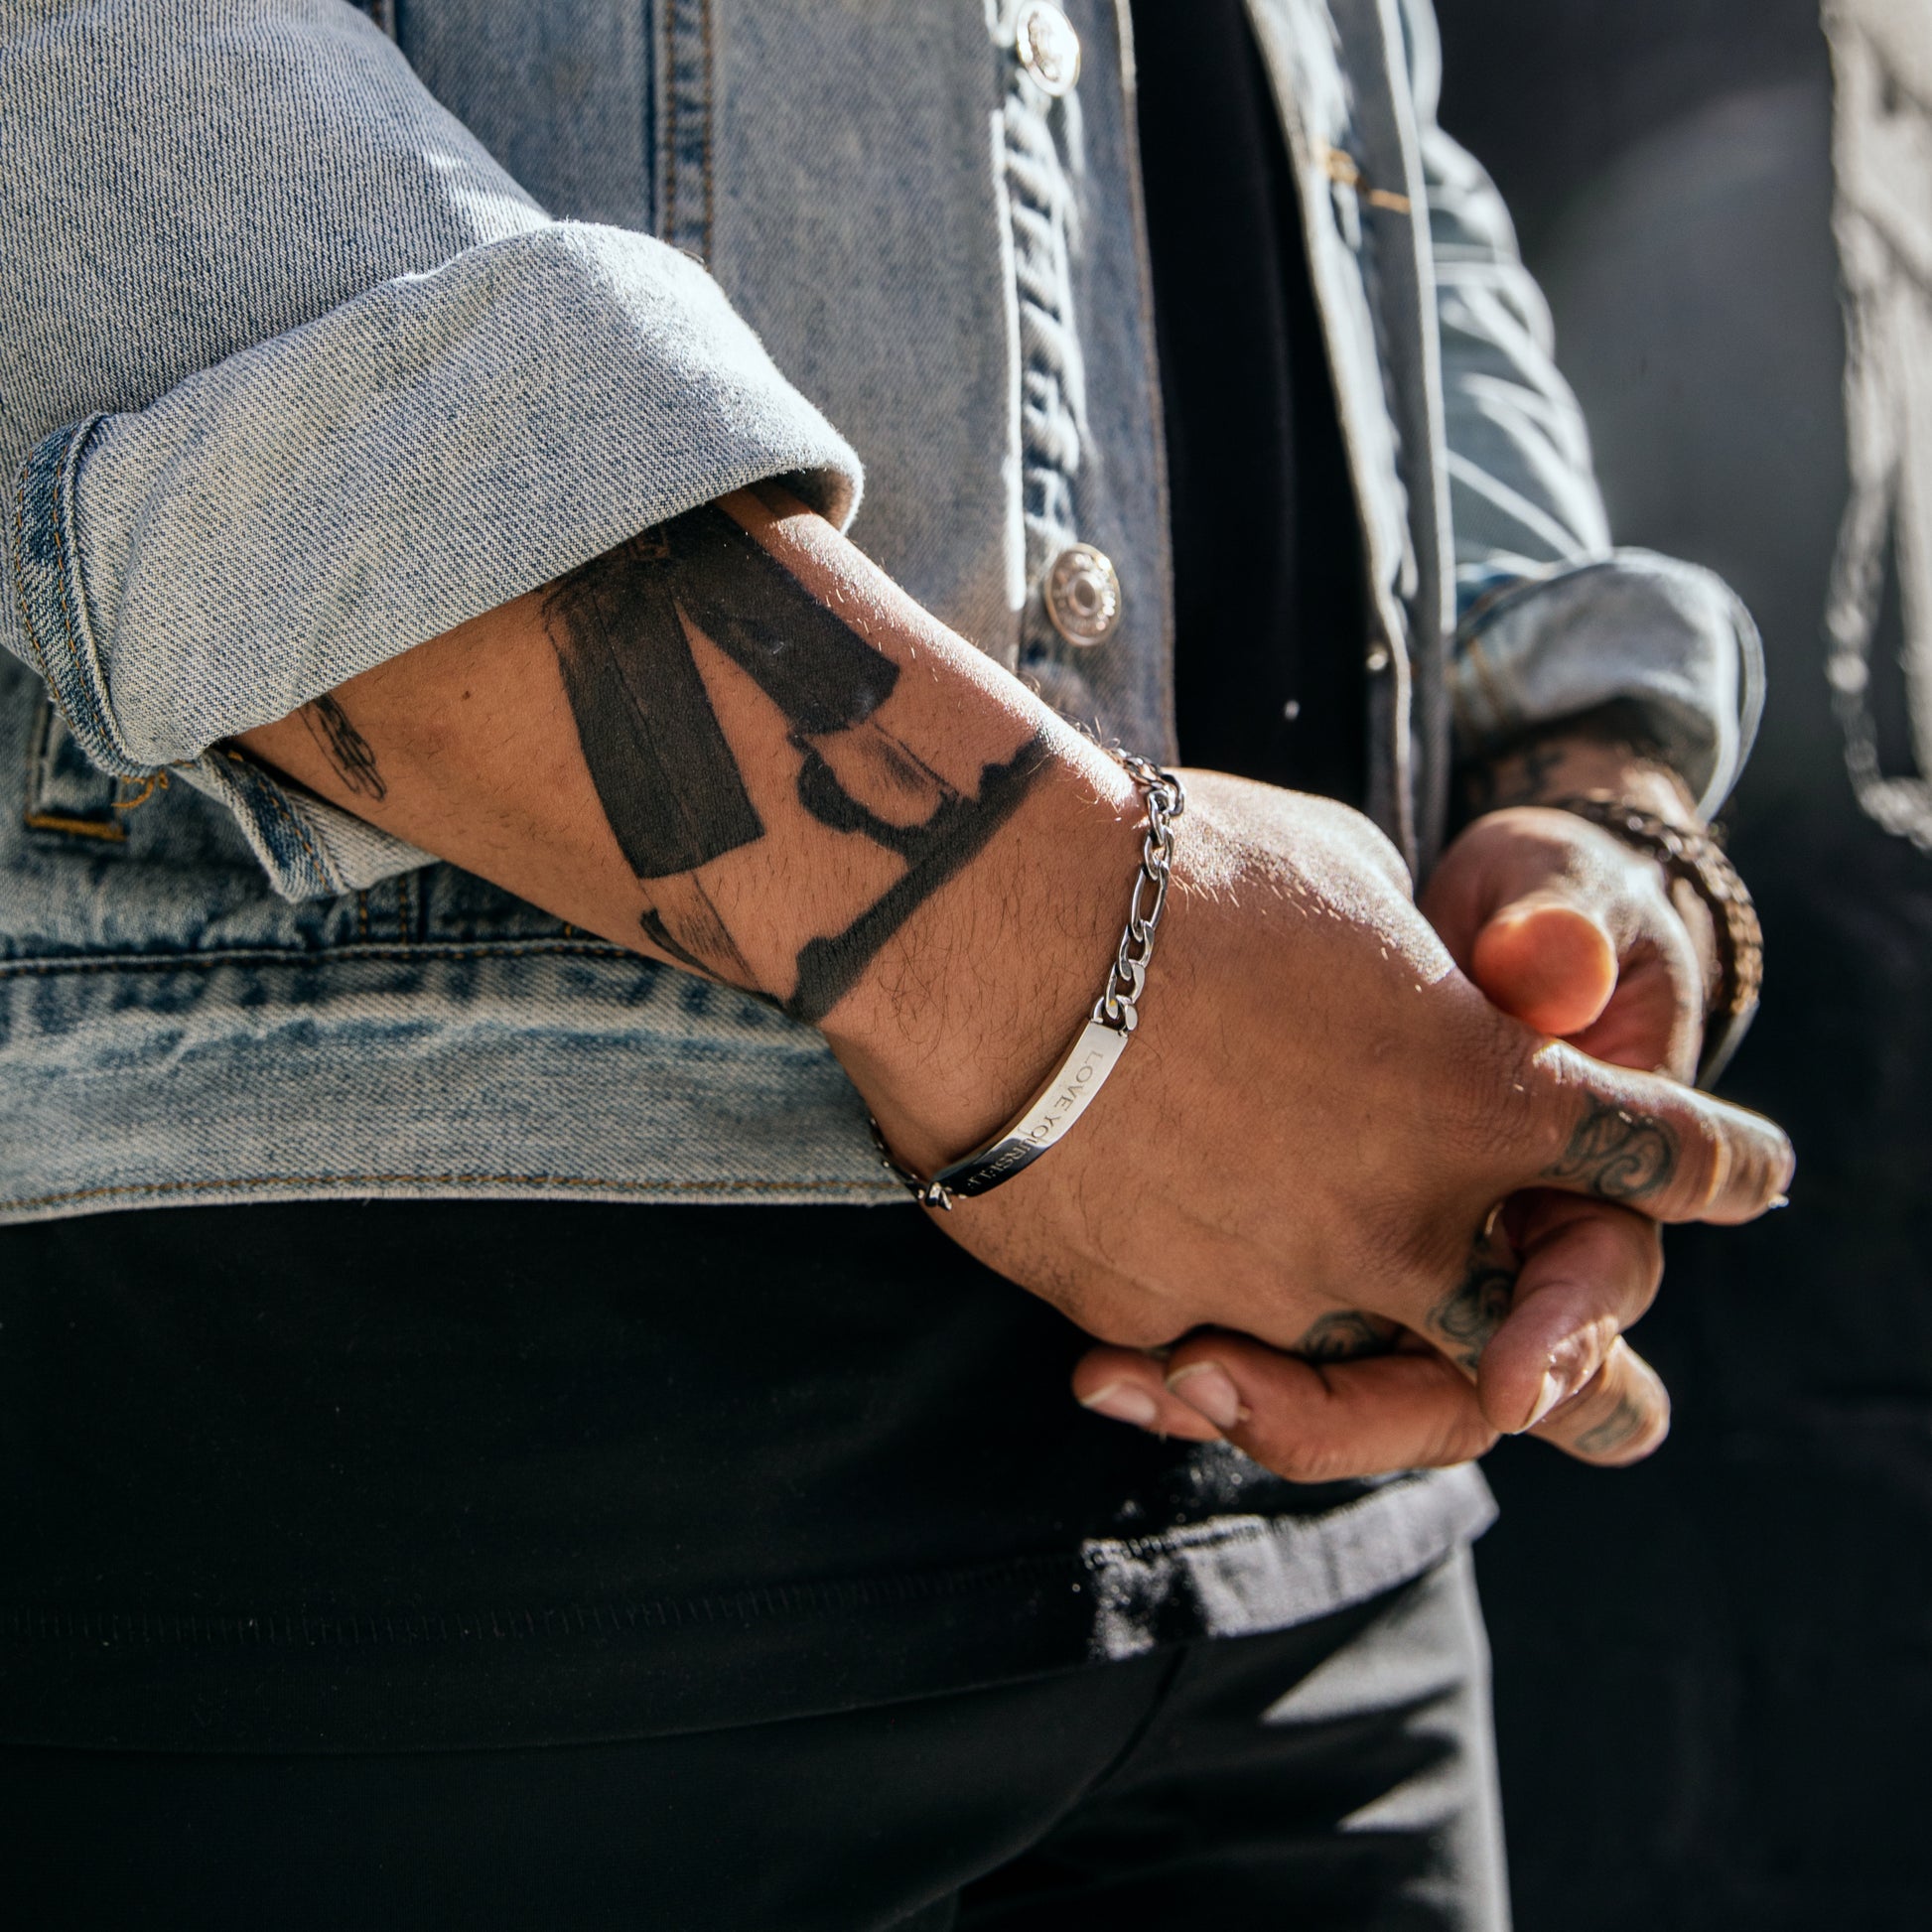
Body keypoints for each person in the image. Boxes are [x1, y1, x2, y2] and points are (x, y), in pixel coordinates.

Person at [0, 2, 1790, 1926]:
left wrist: (1586, 787)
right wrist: (1032, 937)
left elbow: (1381, 159)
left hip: (1316, 1527)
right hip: (452, 1457)